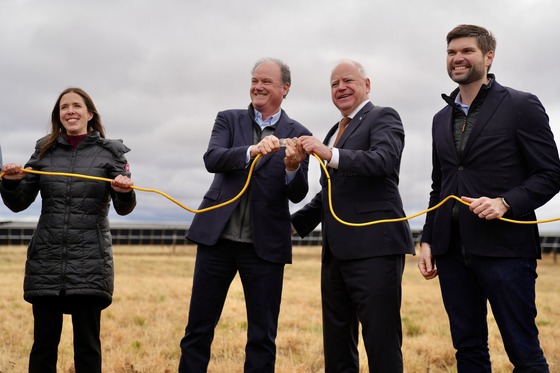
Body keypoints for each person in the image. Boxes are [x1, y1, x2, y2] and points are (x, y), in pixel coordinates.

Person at [418, 24, 560, 372]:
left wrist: (506, 202)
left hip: (506, 250)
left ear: (488, 57)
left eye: (467, 51)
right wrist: (427, 239)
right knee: (468, 350)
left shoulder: (521, 105)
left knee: (523, 352)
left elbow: (551, 174)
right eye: (451, 52)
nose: (457, 58)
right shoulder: (439, 119)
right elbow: (441, 186)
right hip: (451, 253)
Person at [178, 57, 311, 373]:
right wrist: (251, 150)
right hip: (216, 241)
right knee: (198, 329)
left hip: (264, 248)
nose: (258, 86)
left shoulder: (300, 133)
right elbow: (213, 158)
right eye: (255, 80)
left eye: (267, 81)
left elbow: (298, 193)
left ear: (285, 88)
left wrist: (292, 166)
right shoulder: (228, 119)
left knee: (262, 336)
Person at [0, 87, 136, 373]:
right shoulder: (43, 151)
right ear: (58, 116)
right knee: (43, 346)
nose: (70, 111)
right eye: (64, 107)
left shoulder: (111, 154)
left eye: (76, 105)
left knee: (87, 347)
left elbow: (125, 207)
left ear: (90, 113)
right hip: (46, 262)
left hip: (90, 262)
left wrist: (124, 191)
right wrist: (11, 183)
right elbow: (19, 203)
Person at [291, 60, 415, 372]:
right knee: (337, 343)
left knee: (381, 340)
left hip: (376, 248)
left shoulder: (383, 117)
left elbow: (382, 161)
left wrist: (329, 153)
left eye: (348, 81)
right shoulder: (335, 130)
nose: (341, 88)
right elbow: (331, 193)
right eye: (334, 84)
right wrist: (293, 225)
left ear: (367, 85)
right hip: (335, 253)